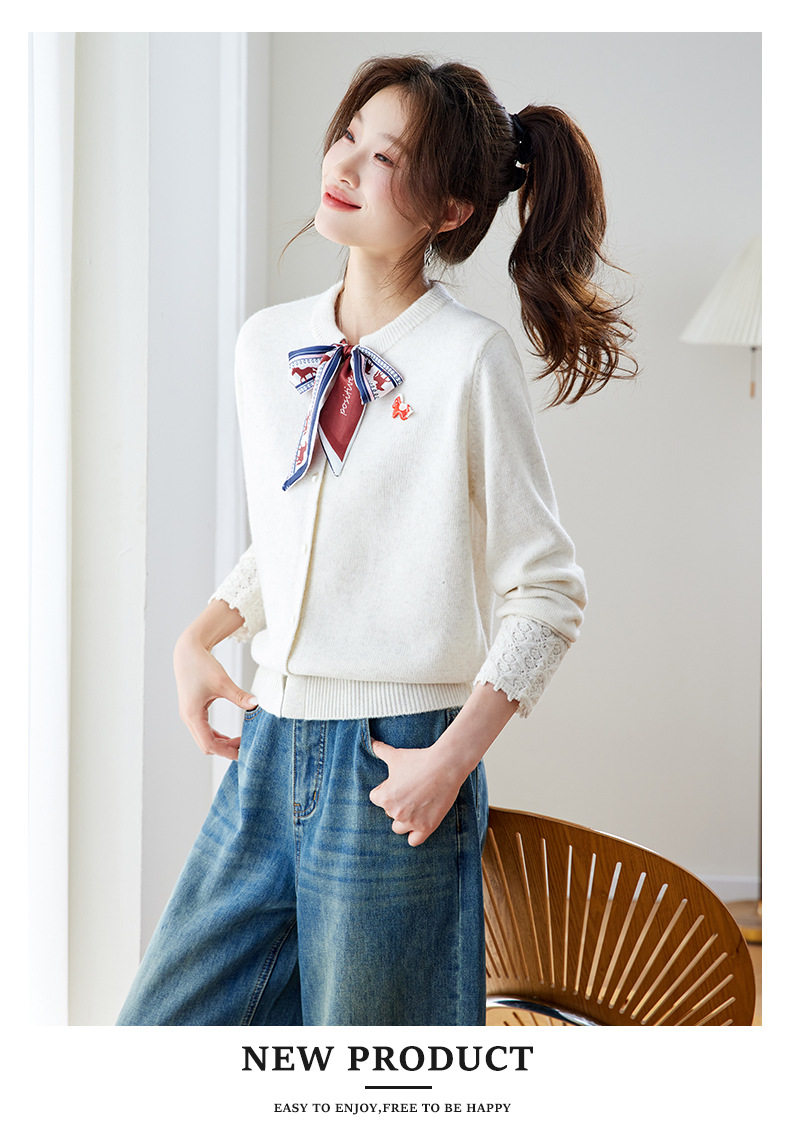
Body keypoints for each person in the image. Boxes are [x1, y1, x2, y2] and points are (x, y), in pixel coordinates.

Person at [117, 54, 635, 1027]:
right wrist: (201, 634)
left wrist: (450, 760)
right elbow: (299, 534)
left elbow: (548, 591)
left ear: (449, 209)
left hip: (399, 758)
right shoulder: (266, 344)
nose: (345, 164)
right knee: (157, 1044)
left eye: (386, 157)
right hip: (268, 748)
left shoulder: (469, 359)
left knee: (371, 1076)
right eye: (349, 134)